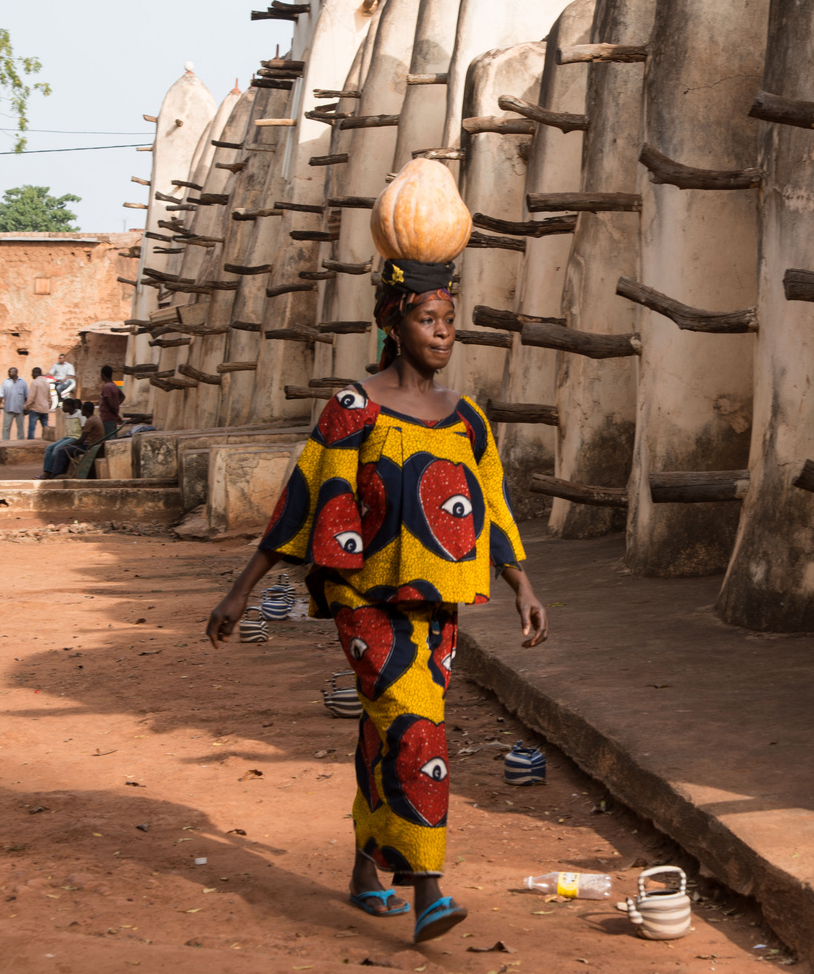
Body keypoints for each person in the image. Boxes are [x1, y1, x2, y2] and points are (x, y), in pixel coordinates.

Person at [206, 251, 549, 947]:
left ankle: (367, 872)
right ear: (396, 324)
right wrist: (242, 589)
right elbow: (305, 497)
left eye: (450, 321)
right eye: (429, 319)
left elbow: (492, 507)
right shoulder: (352, 409)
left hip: (438, 604)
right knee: (418, 732)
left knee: (386, 729)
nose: (443, 332)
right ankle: (428, 888)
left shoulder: (468, 419)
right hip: (365, 598)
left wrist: (523, 585)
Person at [39, 399, 85, 479]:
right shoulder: (67, 415)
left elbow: (84, 428)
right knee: (49, 448)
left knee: (57, 449)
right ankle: (46, 470)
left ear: (70, 406)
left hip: (76, 437)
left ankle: (50, 472)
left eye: (64, 406)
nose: (63, 408)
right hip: (68, 436)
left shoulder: (80, 414)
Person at [0, 367, 29, 441]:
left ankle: (20, 443)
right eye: (8, 372)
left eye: (10, 372)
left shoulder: (23, 382)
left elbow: (27, 396)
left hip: (19, 409)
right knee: (6, 428)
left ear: (16, 373)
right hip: (8, 409)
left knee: (20, 428)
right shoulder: (5, 382)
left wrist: (26, 408)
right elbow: (1, 394)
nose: (9, 374)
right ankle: (5, 442)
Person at [98, 364, 125, 436]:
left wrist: (116, 414)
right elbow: (122, 396)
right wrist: (116, 404)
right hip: (111, 418)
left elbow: (110, 404)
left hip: (107, 418)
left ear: (103, 375)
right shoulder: (114, 385)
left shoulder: (107, 387)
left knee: (109, 439)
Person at [26, 367, 53, 439]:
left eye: (32, 373)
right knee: (45, 427)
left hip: (35, 409)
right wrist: (48, 405)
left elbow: (31, 397)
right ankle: (47, 441)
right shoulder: (47, 382)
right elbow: (49, 397)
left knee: (31, 428)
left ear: (36, 374)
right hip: (45, 409)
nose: (32, 375)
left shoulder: (35, 383)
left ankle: (30, 443)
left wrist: (26, 407)